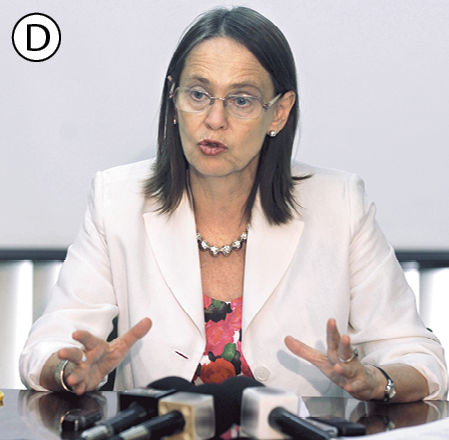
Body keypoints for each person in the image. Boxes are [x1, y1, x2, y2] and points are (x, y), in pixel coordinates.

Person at [20, 6, 447, 402]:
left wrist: (379, 381)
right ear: (174, 99)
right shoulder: (116, 199)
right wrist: (67, 371)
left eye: (241, 100)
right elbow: (45, 347)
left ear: (278, 113)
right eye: (199, 94)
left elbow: (420, 359)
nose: (215, 119)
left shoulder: (339, 204)